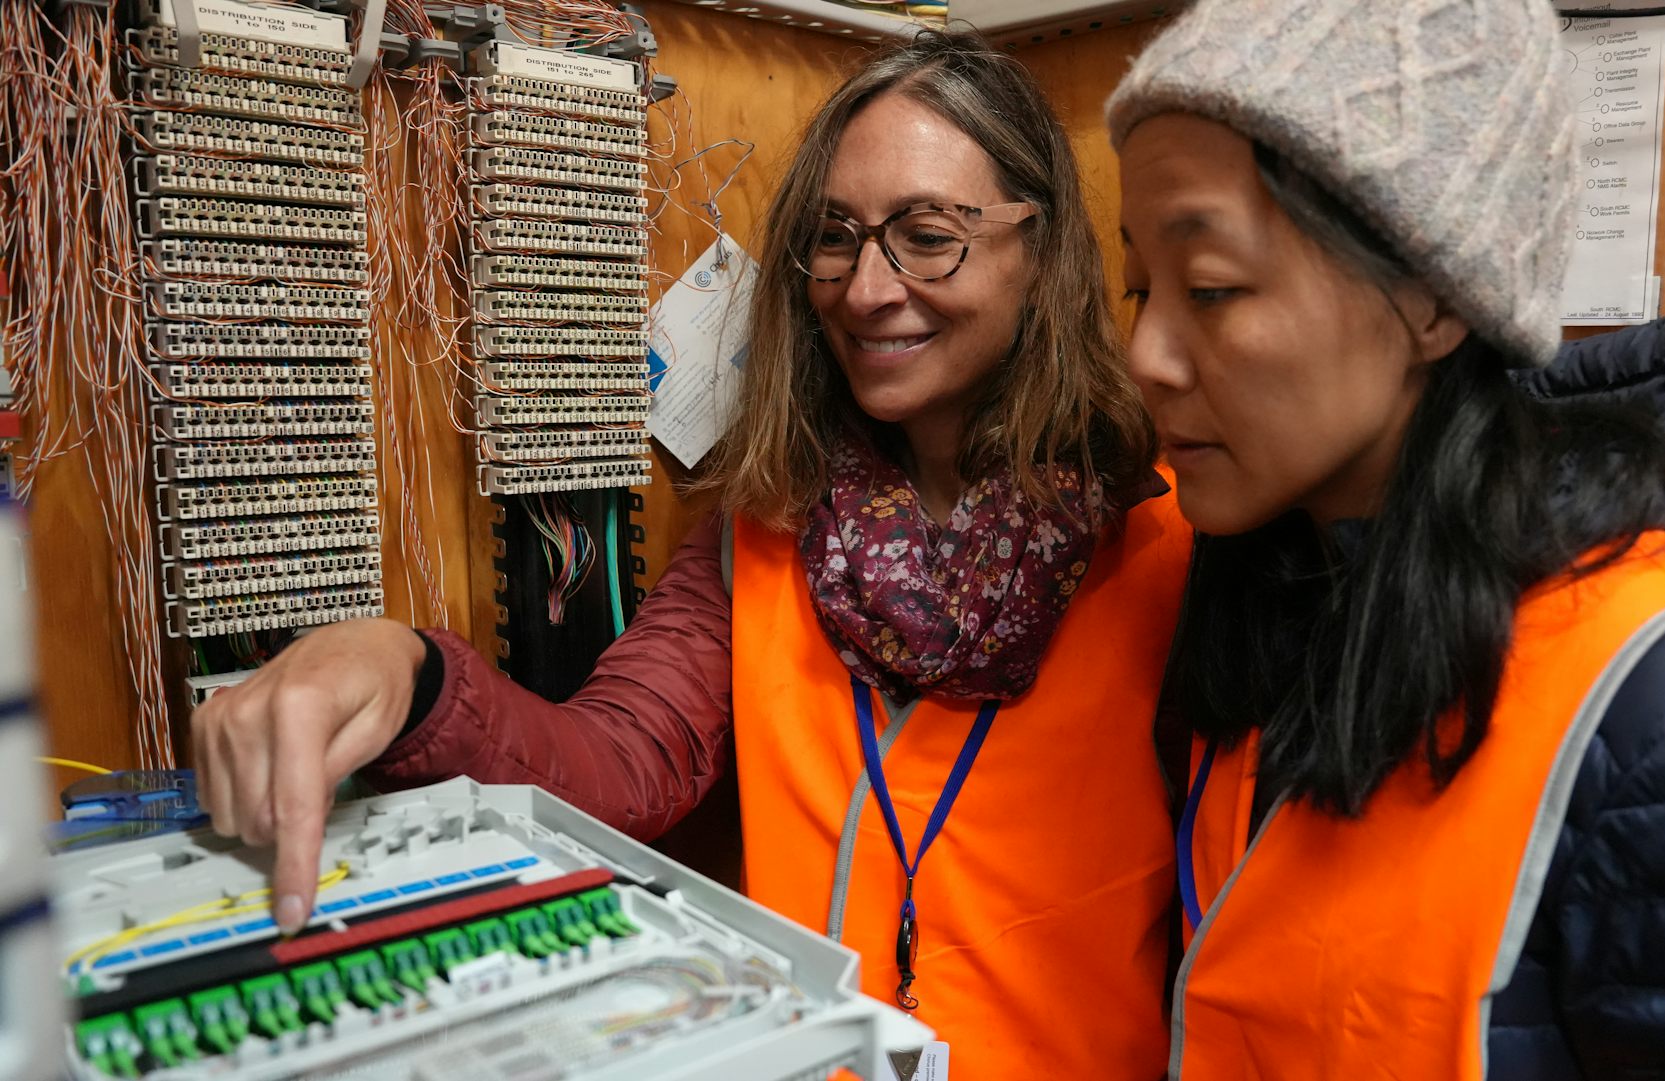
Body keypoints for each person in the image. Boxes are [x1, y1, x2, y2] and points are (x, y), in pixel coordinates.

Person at [191, 31, 1192, 1079]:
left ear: (1042, 249)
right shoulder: (763, 531)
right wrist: (408, 670)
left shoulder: (1170, 546)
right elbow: (616, 766)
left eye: (927, 234)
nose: (864, 288)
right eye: (835, 236)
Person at [1107, 1, 1665, 1078]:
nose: (1147, 355)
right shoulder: (1270, 599)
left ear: (1436, 300)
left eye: (1210, 289)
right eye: (1137, 287)